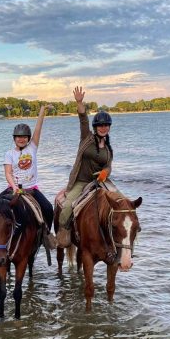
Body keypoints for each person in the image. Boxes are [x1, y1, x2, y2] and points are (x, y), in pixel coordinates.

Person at [0, 104, 56, 249]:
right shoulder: (9, 154)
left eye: (24, 137)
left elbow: (38, 129)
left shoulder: (32, 147)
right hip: (13, 189)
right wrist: (14, 187)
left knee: (48, 208)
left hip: (31, 189)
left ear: (28, 138)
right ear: (14, 138)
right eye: (19, 137)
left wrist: (42, 111)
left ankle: (46, 234)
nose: (21, 139)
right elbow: (8, 172)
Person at [56, 86, 115, 248]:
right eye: (100, 125)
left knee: (123, 203)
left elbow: (109, 166)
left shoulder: (109, 149)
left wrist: (105, 172)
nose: (103, 128)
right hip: (81, 181)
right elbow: (83, 119)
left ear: (109, 127)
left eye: (106, 125)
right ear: (96, 128)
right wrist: (80, 102)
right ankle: (63, 230)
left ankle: (120, 239)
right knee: (68, 205)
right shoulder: (86, 138)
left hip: (99, 182)